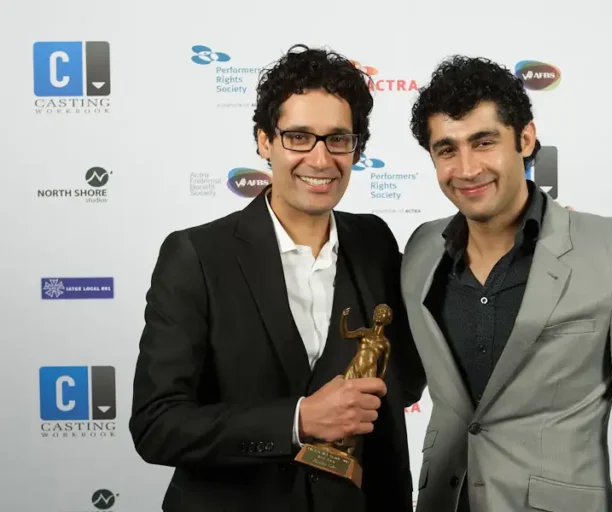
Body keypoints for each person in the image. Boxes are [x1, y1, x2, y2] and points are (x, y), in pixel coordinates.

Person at [129, 44, 425, 512]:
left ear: (357, 148)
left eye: (338, 139)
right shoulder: (196, 255)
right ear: (264, 141)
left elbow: (404, 380)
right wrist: (299, 419)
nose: (321, 158)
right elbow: (157, 425)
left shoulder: (374, 242)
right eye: (299, 137)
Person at [401, 55, 612, 512]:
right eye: (447, 149)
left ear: (525, 138)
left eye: (484, 142)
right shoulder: (421, 250)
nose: (467, 167)